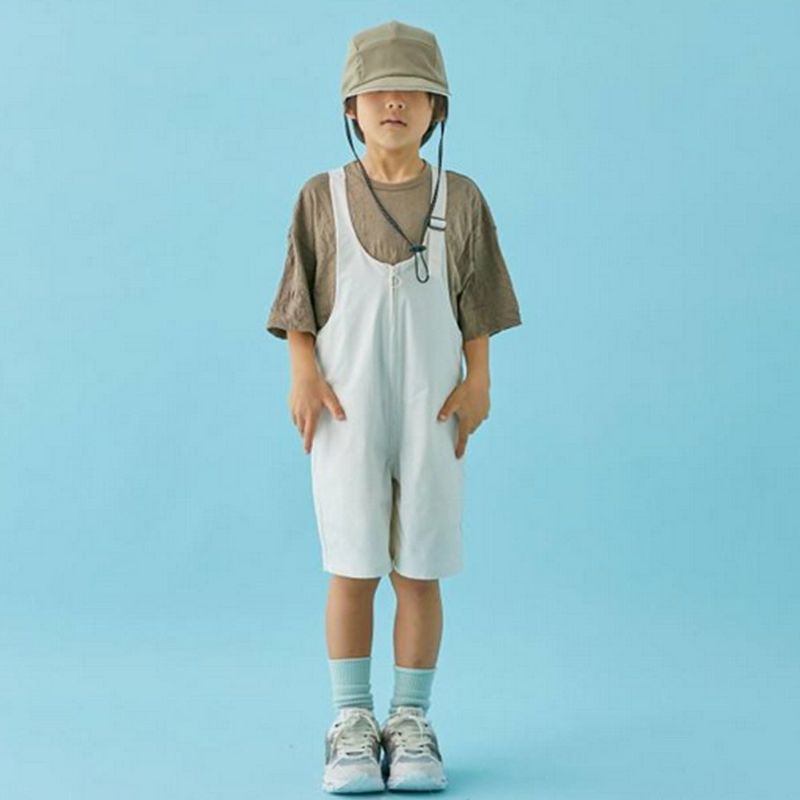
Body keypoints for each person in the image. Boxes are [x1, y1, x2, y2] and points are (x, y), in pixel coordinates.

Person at [265, 19, 522, 794]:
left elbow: (479, 303)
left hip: (434, 407)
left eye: (413, 91)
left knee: (421, 567)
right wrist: (302, 374)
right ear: (351, 106)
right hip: (345, 408)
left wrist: (479, 381)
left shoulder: (460, 199)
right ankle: (351, 720)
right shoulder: (322, 198)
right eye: (378, 92)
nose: (395, 104)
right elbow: (299, 300)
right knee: (352, 563)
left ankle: (411, 721)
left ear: (438, 107)